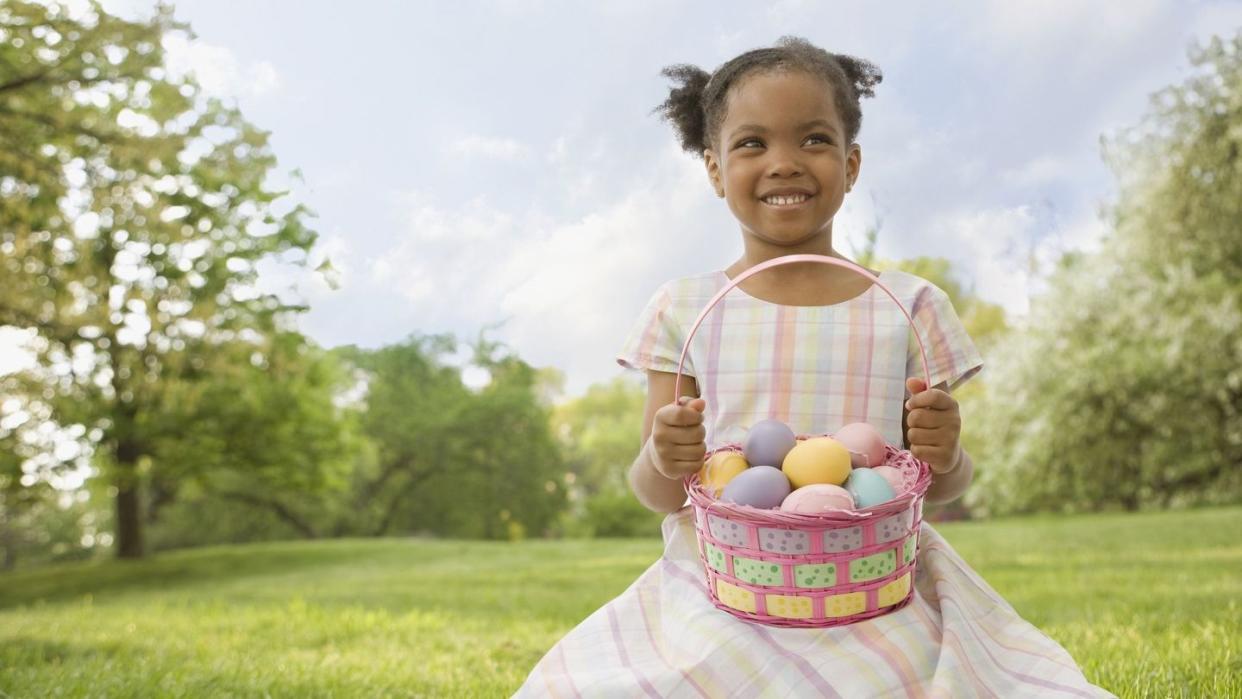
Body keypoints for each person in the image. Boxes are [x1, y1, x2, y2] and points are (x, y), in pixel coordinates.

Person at [515, 37, 1111, 698]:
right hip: (724, 588)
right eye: (752, 145)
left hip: (876, 586)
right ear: (714, 169)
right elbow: (657, 491)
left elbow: (940, 485)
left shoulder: (910, 306)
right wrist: (663, 455)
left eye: (814, 140)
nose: (784, 163)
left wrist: (948, 452)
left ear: (851, 164)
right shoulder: (684, 308)